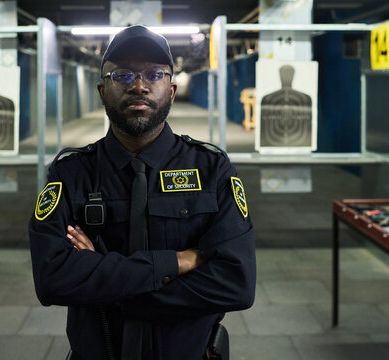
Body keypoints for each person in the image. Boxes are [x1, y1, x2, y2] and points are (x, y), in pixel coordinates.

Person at [29, 25, 256, 360]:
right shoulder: (71, 174)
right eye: (121, 76)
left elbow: (236, 283)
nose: (138, 86)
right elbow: (52, 280)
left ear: (172, 90)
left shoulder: (212, 170)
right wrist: (178, 261)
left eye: (154, 74)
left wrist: (104, 281)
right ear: (102, 91)